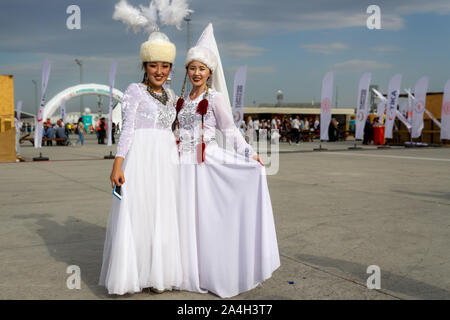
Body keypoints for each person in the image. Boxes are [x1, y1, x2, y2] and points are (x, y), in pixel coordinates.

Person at [176, 23, 280, 298]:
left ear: (210, 73)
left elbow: (230, 130)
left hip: (206, 164)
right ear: (186, 70)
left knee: (208, 219)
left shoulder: (216, 98)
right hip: (181, 165)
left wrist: (249, 153)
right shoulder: (182, 100)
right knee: (186, 219)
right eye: (192, 68)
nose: (197, 73)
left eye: (202, 68)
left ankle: (215, 270)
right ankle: (189, 270)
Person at [99, 30, 182, 295]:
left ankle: (157, 274)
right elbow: (128, 131)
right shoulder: (134, 91)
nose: (159, 70)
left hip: (167, 161)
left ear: (171, 68)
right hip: (141, 159)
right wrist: (117, 164)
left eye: (165, 65)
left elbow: (175, 130)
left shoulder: (170, 95)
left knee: (162, 214)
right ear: (144, 66)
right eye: (153, 65)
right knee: (137, 215)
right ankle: (132, 276)